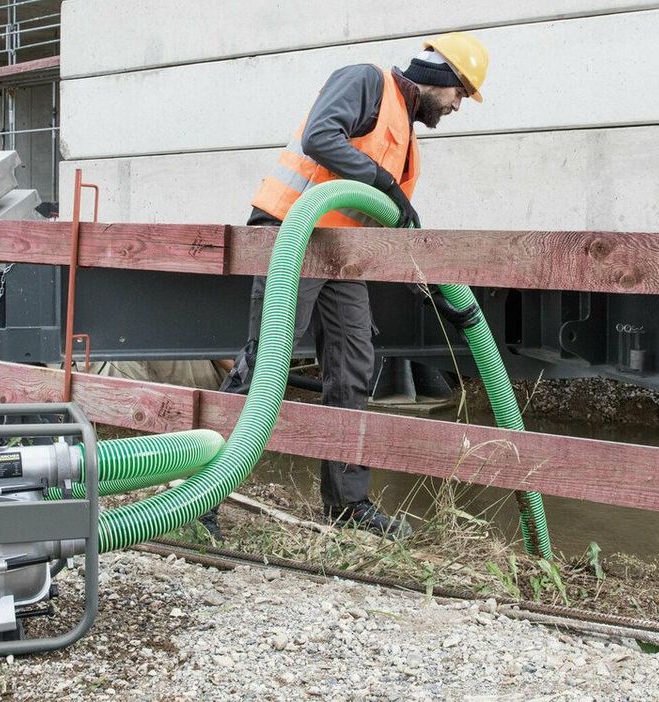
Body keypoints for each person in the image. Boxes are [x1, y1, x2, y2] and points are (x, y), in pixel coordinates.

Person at [203, 32, 491, 540]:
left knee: (354, 367)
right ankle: (201, 497)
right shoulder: (366, 82)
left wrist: (424, 281)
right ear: (441, 77)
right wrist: (382, 185)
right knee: (266, 360)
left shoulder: (404, 131)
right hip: (292, 233)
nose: (457, 106)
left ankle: (347, 503)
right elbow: (321, 138)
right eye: (460, 93)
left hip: (340, 253)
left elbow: (384, 213)